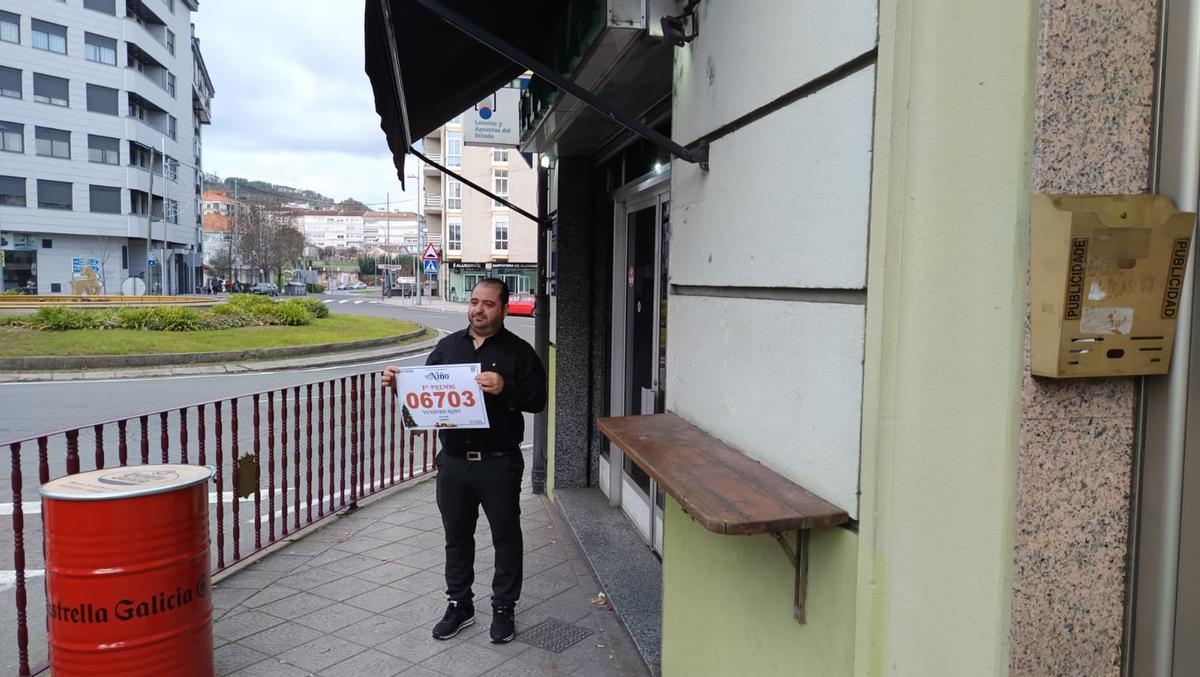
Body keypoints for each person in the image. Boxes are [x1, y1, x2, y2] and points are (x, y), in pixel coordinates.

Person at [382, 278, 546, 644]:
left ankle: (504, 607)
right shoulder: (447, 347)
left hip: (499, 462)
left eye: (488, 304)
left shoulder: (519, 352)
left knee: (506, 538)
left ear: (503, 309)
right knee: (457, 537)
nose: (478, 309)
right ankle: (460, 603)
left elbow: (538, 400)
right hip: (454, 463)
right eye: (474, 302)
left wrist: (506, 388)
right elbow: (422, 394)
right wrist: (399, 385)